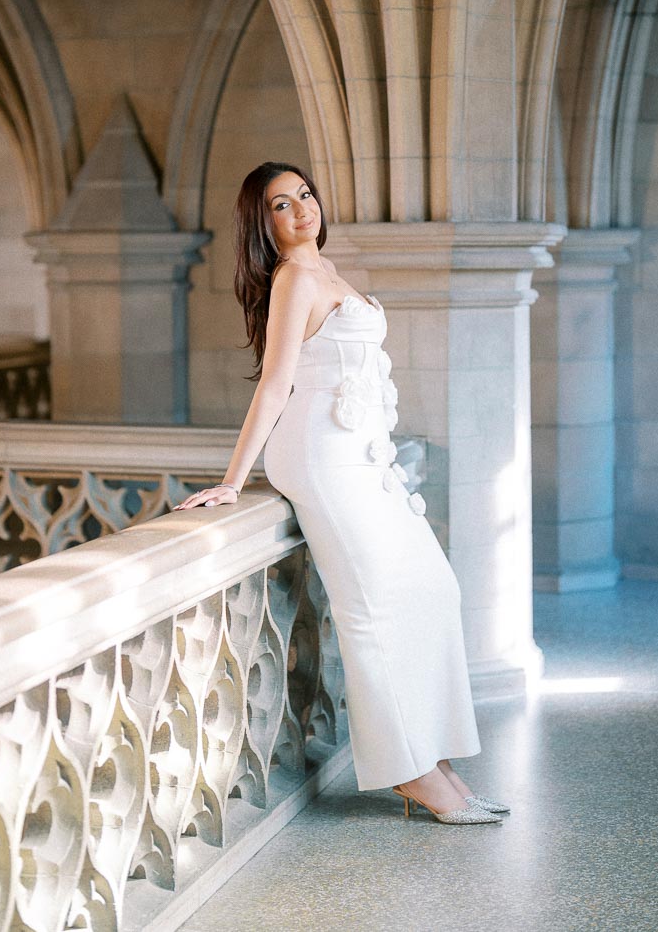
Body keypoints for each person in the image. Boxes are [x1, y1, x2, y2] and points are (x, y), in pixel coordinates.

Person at [175, 161, 508, 824]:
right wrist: (234, 480)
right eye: (279, 204)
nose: (300, 210)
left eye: (304, 195)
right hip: (322, 458)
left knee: (434, 588)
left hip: (364, 455)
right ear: (261, 224)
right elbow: (275, 384)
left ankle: (432, 757)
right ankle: (412, 775)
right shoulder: (294, 278)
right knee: (372, 607)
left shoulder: (323, 269)